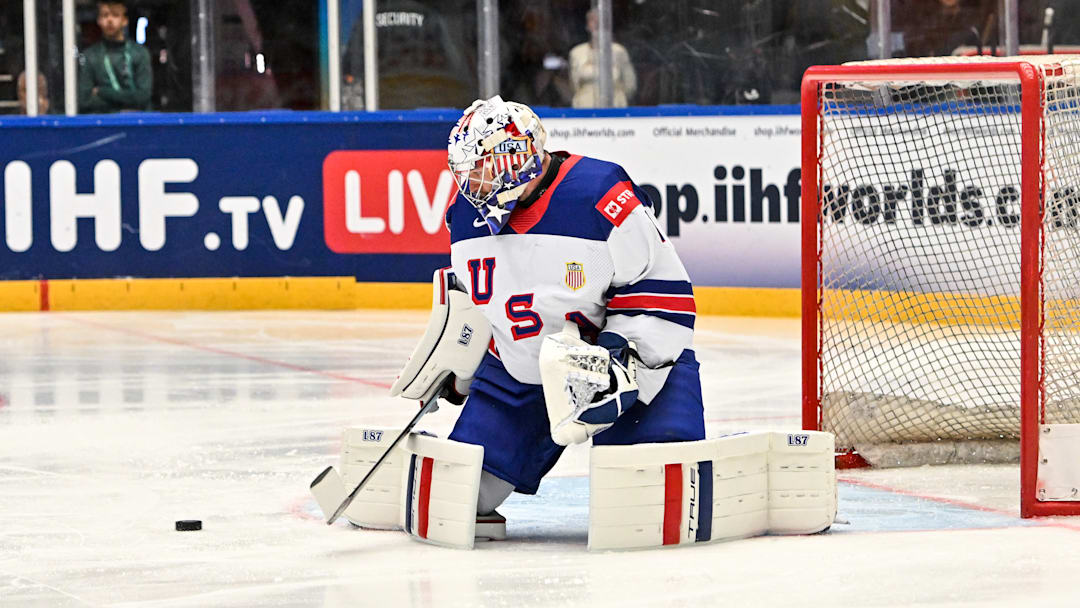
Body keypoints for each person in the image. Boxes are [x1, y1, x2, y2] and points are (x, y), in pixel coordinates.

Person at [442, 96, 703, 522]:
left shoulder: (599, 194)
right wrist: (459, 366)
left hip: (625, 372)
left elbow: (660, 288)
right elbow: (473, 302)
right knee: (459, 497)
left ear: (517, 157)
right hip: (518, 379)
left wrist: (620, 359)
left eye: (483, 168)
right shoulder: (463, 217)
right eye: (466, 171)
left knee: (650, 503)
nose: (473, 183)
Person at [78, 0, 152, 113]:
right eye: (105, 15)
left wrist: (102, 92)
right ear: (99, 20)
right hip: (103, 123)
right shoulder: (91, 55)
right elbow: (85, 100)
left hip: (137, 122)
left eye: (115, 15)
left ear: (125, 20)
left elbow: (143, 97)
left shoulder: (140, 53)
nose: (110, 20)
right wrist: (129, 101)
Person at [568, 8, 637, 108]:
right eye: (593, 20)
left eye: (601, 21)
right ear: (587, 25)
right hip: (583, 109)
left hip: (616, 107)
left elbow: (630, 85)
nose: (597, 24)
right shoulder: (576, 53)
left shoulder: (619, 51)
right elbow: (574, 85)